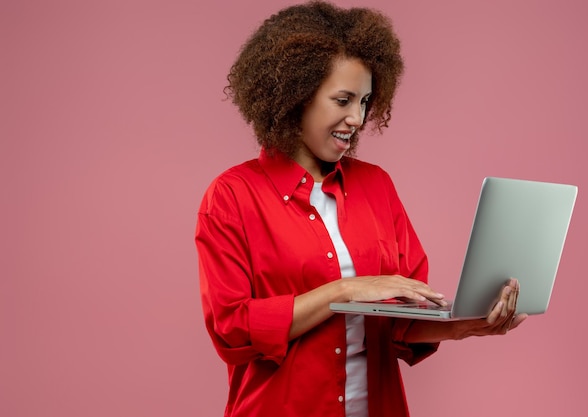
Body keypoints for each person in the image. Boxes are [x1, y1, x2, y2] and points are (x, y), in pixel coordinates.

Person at [195, 1, 527, 416]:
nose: (357, 118)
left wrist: (466, 325)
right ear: (296, 96)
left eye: (365, 101)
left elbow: (400, 319)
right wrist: (345, 290)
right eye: (342, 99)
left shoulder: (377, 186)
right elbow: (233, 330)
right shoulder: (232, 196)